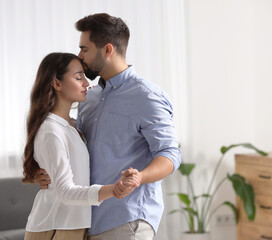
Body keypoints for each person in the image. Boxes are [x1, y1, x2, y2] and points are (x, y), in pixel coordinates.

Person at [36, 13, 181, 240]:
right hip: (87, 220)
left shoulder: (147, 96)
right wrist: (46, 172)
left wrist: (139, 177)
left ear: (107, 50)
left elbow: (170, 154)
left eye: (84, 49)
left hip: (126, 218)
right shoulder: (89, 98)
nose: (79, 56)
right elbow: (73, 148)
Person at [23, 52, 141, 240]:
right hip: (56, 226)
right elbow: (66, 192)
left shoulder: (72, 125)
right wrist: (114, 189)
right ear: (57, 83)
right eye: (79, 78)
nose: (86, 83)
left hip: (73, 225)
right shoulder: (51, 130)